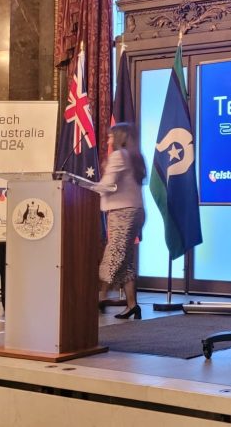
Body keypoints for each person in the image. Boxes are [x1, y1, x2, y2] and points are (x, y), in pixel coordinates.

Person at [92, 122, 146, 320]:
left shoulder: (118, 155)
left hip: (122, 213)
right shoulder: (135, 156)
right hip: (134, 211)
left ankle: (99, 298)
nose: (108, 140)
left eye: (111, 136)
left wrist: (84, 186)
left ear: (120, 137)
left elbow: (107, 185)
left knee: (113, 255)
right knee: (125, 260)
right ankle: (132, 305)